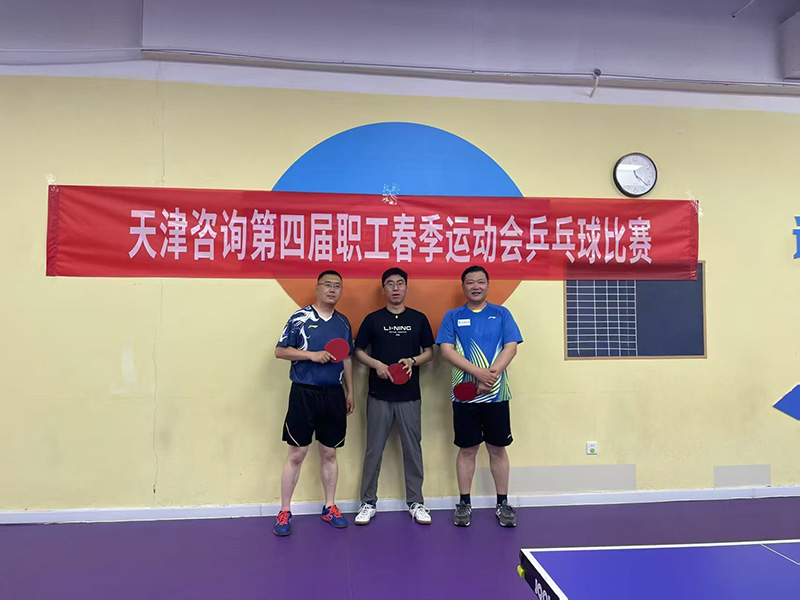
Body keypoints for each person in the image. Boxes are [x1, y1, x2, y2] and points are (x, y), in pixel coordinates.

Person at [436, 265, 523, 528]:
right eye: (470, 282)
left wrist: (491, 376)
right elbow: (446, 351)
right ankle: (464, 503)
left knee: (497, 448)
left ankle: (503, 503)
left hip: (497, 395)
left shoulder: (502, 313)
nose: (476, 286)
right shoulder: (453, 316)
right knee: (467, 449)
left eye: (480, 281)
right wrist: (478, 374)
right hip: (464, 397)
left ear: (488, 285)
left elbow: (510, 348)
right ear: (463, 286)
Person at [273, 270, 355, 536]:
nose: (332, 289)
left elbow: (347, 358)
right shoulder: (299, 318)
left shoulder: (343, 323)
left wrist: (350, 392)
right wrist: (311, 355)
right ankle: (285, 510)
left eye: (337, 286)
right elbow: (280, 351)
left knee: (330, 453)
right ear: (317, 288)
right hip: (303, 394)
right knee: (297, 454)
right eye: (327, 285)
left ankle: (329, 507)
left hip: (333, 395)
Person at [353, 267, 435, 526]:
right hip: (379, 395)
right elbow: (358, 351)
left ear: (406, 288)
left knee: (413, 449)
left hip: (410, 396)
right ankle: (368, 502)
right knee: (373, 450)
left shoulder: (419, 319)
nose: (396, 288)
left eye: (400, 283)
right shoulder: (373, 319)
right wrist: (376, 364)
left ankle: (416, 502)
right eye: (390, 284)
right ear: (384, 289)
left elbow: (430, 352)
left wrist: (413, 360)